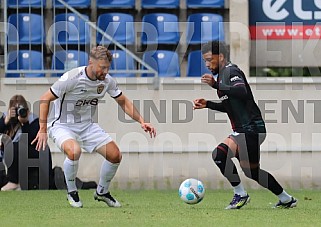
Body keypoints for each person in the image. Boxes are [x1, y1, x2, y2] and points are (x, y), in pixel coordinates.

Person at [32, 46, 156, 208]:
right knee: (74, 151)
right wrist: (42, 129)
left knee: (115, 155)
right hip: (62, 125)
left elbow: (123, 101)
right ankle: (72, 192)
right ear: (91, 62)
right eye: (102, 67)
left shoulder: (107, 81)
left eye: (107, 68)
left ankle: (102, 192)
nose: (105, 71)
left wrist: (141, 120)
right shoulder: (72, 77)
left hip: (87, 126)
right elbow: (44, 99)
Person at [193, 41, 297, 209]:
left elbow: (241, 91)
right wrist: (208, 104)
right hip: (246, 130)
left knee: (219, 155)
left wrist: (216, 85)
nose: (206, 64)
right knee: (252, 172)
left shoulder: (231, 71)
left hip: (251, 129)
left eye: (209, 59)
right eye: (204, 60)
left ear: (220, 57)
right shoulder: (223, 75)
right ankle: (286, 199)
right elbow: (230, 106)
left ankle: (240, 194)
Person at [0, 95, 54, 191]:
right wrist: (6, 121)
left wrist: (25, 123)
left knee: (15, 146)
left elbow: (30, 141)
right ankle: (12, 181)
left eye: (20, 109)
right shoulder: (7, 118)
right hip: (18, 161)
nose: (18, 113)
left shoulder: (34, 120)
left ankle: (13, 182)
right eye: (15, 110)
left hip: (36, 158)